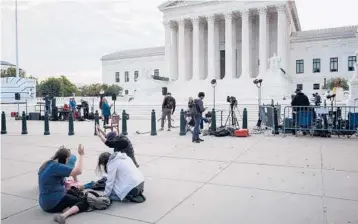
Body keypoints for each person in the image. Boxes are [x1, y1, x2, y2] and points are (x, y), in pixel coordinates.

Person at [38, 145, 88, 224]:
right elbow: (79, 171)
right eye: (68, 159)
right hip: (53, 203)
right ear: (64, 158)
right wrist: (81, 155)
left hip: (44, 202)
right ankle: (63, 215)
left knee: (72, 193)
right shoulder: (56, 167)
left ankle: (65, 208)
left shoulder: (47, 163)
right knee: (85, 202)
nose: (68, 161)